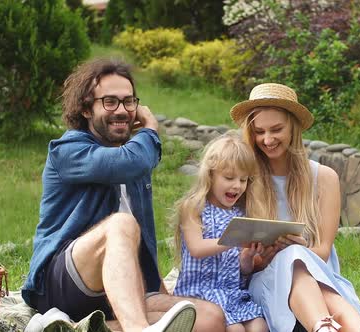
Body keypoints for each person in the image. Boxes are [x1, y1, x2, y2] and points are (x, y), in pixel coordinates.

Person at [21, 58, 226, 332]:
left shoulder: (134, 159)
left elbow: (141, 242)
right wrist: (151, 128)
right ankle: (137, 329)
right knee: (121, 223)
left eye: (129, 102)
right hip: (62, 282)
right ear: (85, 108)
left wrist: (158, 290)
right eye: (110, 102)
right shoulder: (68, 150)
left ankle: (94, 327)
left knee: (209, 317)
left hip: (114, 292)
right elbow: (130, 164)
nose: (122, 110)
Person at [229, 83, 360, 332]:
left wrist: (299, 247)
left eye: (276, 129)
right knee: (292, 258)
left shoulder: (324, 177)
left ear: (293, 127)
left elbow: (321, 252)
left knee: (296, 256)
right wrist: (257, 260)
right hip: (264, 281)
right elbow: (233, 253)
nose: (267, 140)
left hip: (320, 277)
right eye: (259, 132)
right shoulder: (244, 178)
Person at [172, 133, 270, 332]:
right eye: (229, 178)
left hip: (231, 294)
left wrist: (248, 257)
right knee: (235, 330)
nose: (237, 185)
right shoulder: (194, 207)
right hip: (200, 293)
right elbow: (197, 249)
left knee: (260, 326)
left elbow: (242, 269)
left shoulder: (241, 214)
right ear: (210, 175)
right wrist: (234, 239)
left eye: (243, 180)